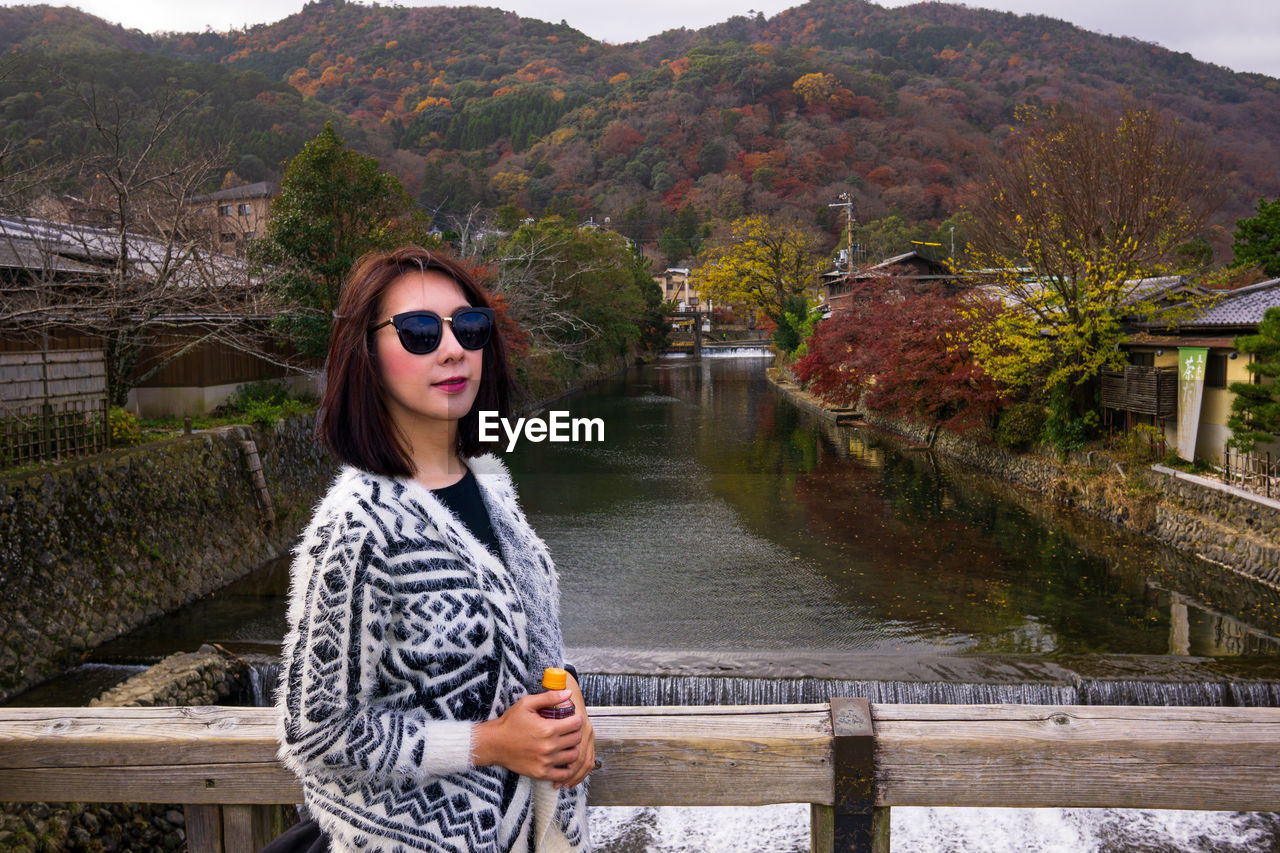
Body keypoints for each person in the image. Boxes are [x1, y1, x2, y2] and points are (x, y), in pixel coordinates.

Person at [276, 246, 593, 853]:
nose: (453, 349)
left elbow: (520, 646)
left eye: (469, 327)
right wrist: (490, 743)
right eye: (419, 332)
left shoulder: (490, 484)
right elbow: (313, 732)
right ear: (365, 352)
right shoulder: (359, 525)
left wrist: (569, 696)